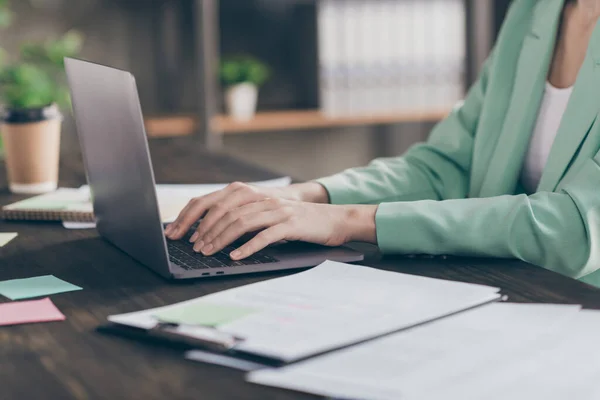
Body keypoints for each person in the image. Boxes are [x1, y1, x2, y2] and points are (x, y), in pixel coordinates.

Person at [166, 0, 600, 287]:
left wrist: (348, 220)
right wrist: (300, 197)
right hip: (504, 286)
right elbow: (445, 167)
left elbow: (576, 228)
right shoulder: (536, 10)